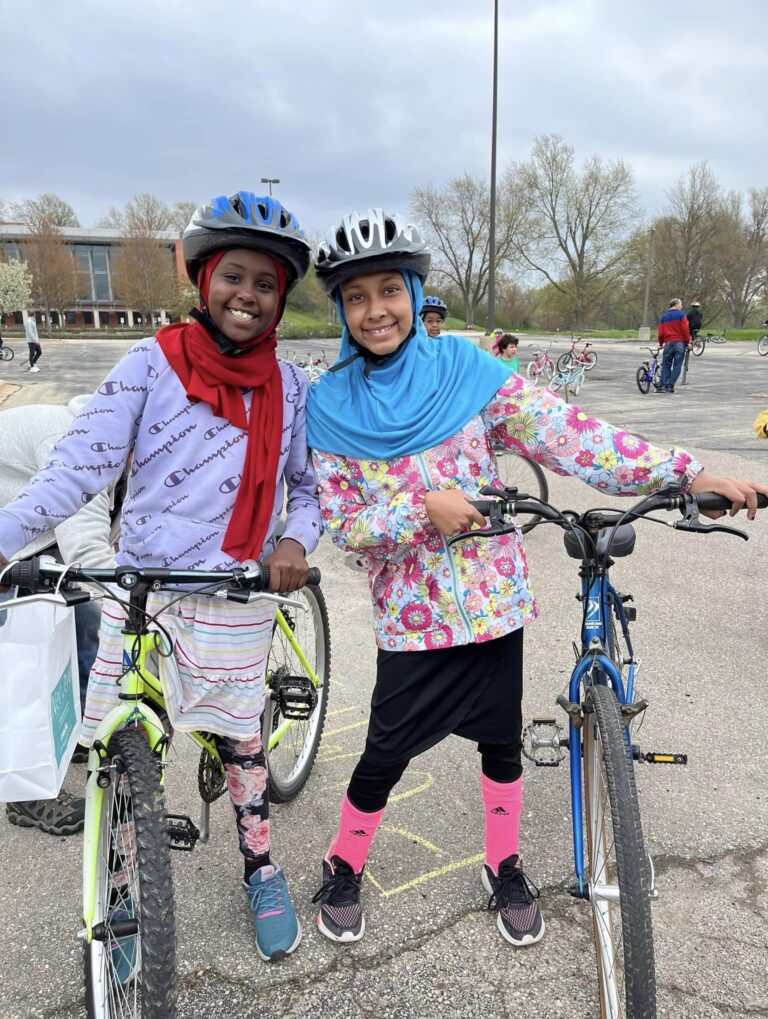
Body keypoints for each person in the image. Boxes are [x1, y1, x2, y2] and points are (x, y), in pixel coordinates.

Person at [304, 208, 765, 949]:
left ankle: (504, 865)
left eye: (389, 289)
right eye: (355, 297)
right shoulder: (328, 407)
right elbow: (346, 526)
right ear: (339, 308)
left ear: (415, 292)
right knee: (384, 751)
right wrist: (423, 508)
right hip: (412, 615)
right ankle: (345, 862)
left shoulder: (467, 371)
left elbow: (572, 438)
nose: (374, 311)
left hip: (491, 603)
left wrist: (685, 472)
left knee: (501, 743)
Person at [0, 190, 322, 963]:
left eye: (266, 284)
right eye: (233, 276)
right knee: (126, 749)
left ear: (281, 297)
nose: (248, 295)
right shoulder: (149, 364)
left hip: (241, 595)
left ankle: (261, 867)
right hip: (146, 593)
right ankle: (118, 890)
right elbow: (75, 469)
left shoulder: (291, 388)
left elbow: (308, 488)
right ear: (203, 277)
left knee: (242, 746)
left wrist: (295, 542)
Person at [0, 396, 118, 836]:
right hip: (9, 545)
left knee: (83, 619)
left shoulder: (124, 453)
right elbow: (86, 546)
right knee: (21, 661)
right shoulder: (79, 442)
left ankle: (80, 733)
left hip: (30, 545)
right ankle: (27, 795)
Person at [657, 298, 690, 393]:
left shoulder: (663, 317)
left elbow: (661, 333)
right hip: (680, 343)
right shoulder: (682, 315)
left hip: (668, 343)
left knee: (666, 365)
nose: (681, 306)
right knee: (677, 366)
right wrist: (688, 342)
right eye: (680, 304)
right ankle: (670, 386)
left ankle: (662, 386)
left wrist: (660, 343)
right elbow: (685, 330)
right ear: (675, 305)